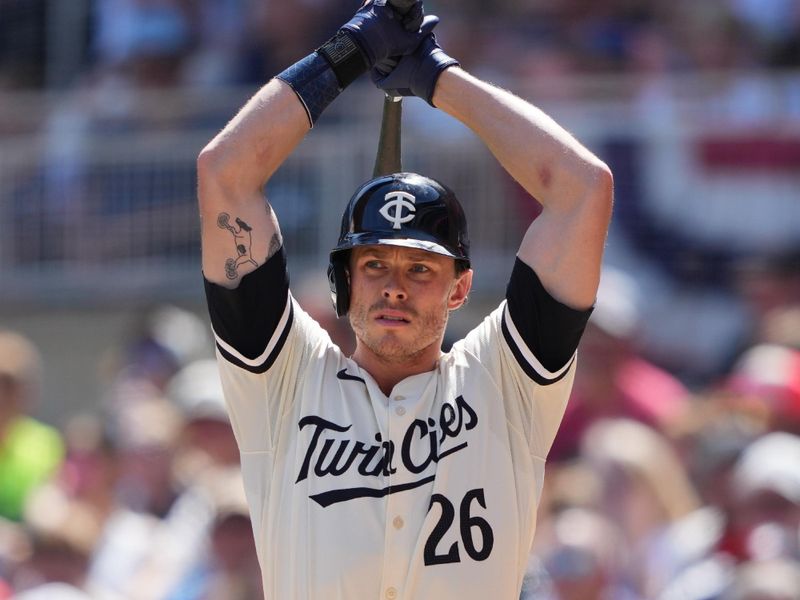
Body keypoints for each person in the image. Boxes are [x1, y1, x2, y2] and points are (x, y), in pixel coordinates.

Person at [197, 1, 612, 598]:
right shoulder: (284, 381)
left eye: (421, 267)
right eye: (373, 264)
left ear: (460, 287)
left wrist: (437, 77)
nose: (394, 285)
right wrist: (348, 53)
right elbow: (224, 171)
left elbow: (584, 189)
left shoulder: (504, 382)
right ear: (343, 283)